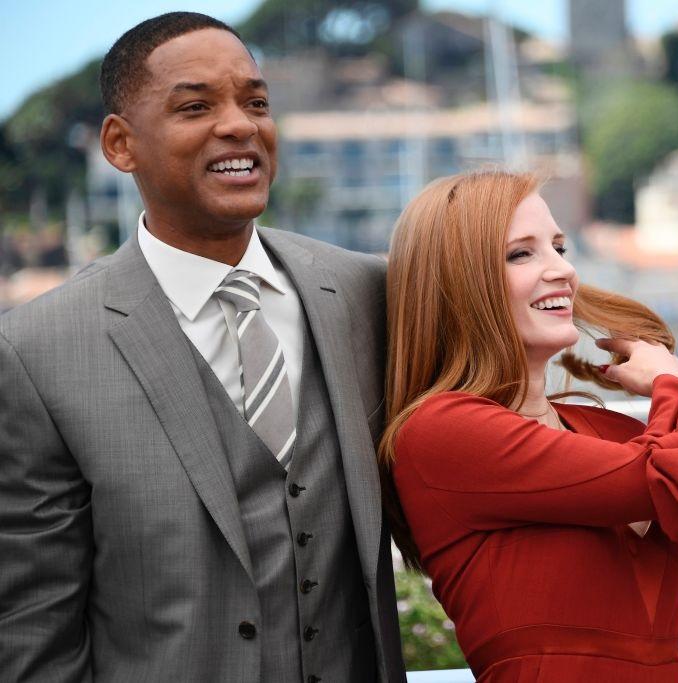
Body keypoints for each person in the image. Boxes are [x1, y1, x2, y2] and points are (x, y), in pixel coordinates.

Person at [0, 13, 404, 682]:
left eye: (257, 102)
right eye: (196, 106)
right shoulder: (35, 351)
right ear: (120, 144)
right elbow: (33, 628)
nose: (241, 124)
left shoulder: (365, 291)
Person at [379, 170, 678, 681]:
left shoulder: (609, 430)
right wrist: (668, 384)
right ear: (458, 282)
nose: (562, 270)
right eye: (522, 253)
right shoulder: (442, 432)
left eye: (560, 248)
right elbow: (675, 477)